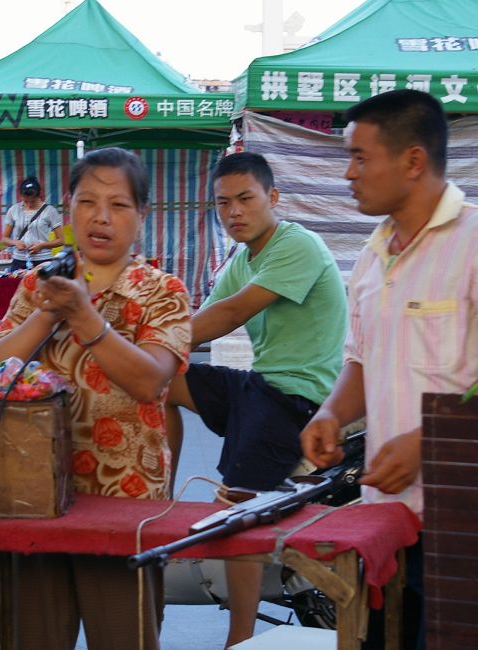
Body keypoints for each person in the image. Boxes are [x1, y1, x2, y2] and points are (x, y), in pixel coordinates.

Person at [0, 147, 191, 649]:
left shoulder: (163, 291)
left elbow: (151, 381)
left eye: (118, 205)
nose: (101, 217)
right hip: (37, 501)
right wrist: (49, 312)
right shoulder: (38, 284)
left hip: (126, 506)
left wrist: (86, 317)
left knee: (124, 636)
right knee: (35, 636)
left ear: (142, 215)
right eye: (87, 201)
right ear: (68, 208)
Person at [301, 89, 478, 650]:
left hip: (463, 515)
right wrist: (331, 413)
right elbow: (361, 359)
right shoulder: (373, 257)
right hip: (385, 517)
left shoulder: (474, 243)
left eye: (359, 157)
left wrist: (429, 443)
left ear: (413, 161)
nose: (348, 173)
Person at [165, 152, 347, 648]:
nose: (234, 212)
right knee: (156, 381)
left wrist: (144, 340)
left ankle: (239, 640)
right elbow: (196, 326)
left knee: (236, 507)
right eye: (223, 203)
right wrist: (143, 353)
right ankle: (160, 498)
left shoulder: (298, 245)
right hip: (260, 385)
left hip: (299, 398)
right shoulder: (243, 259)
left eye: (245, 199)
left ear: (274, 198)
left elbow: (228, 315)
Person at [0, 175, 64, 271]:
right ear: (21, 196)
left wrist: (42, 245)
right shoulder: (14, 210)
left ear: (39, 196)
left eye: (33, 201)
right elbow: (4, 239)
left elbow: (61, 240)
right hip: (19, 260)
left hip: (43, 261)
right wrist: (15, 243)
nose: (29, 204)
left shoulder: (50, 211)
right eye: (26, 201)